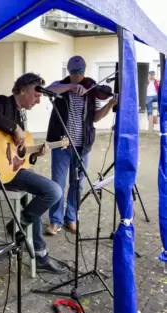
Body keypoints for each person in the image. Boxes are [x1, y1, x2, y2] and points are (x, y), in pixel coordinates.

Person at [0, 72, 67, 274]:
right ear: (23, 89)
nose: (38, 100)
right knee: (54, 191)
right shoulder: (3, 102)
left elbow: (19, 156)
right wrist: (15, 128)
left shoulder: (21, 113)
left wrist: (35, 151)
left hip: (12, 170)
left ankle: (40, 252)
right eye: (36, 95)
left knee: (38, 196)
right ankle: (19, 225)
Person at [45, 56, 118, 235]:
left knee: (77, 184)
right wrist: (70, 87)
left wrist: (110, 104)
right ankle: (55, 220)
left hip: (83, 145)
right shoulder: (61, 86)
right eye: (73, 72)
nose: (77, 75)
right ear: (68, 72)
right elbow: (47, 90)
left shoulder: (92, 88)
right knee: (58, 184)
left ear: (84, 71)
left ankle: (71, 217)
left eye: (80, 72)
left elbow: (95, 117)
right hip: (61, 144)